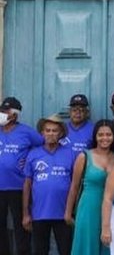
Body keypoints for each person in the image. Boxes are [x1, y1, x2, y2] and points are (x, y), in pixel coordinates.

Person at [22, 114, 76, 255]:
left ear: (61, 133)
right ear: (42, 133)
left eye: (54, 131)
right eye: (48, 130)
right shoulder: (33, 154)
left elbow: (75, 185)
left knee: (66, 250)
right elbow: (27, 185)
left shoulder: (70, 154)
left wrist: (71, 212)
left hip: (64, 214)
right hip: (39, 213)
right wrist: (26, 214)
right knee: (40, 251)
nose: (51, 134)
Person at [65, 119, 114, 255]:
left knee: (108, 246)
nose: (104, 138)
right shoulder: (84, 157)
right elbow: (74, 187)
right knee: (87, 246)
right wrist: (68, 212)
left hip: (112, 210)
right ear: (95, 136)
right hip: (89, 208)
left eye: (108, 134)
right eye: (100, 134)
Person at [0, 96, 44, 255]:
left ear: (14, 114)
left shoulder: (26, 132)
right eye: (1, 110)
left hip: (18, 187)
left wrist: (29, 159)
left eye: (6, 111)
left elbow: (43, 146)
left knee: (21, 227)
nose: (2, 114)